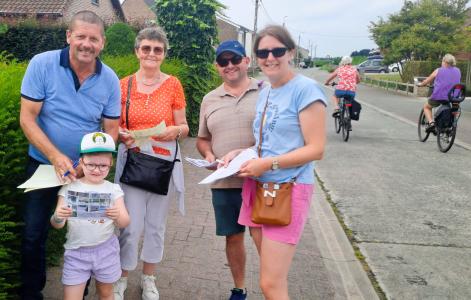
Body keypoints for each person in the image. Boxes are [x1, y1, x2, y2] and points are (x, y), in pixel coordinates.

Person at [19, 11, 121, 299]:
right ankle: (30, 293)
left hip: (85, 175)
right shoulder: (42, 64)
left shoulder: (110, 79)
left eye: (93, 38)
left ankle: (80, 292)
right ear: (68, 36)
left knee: (86, 238)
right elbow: (27, 118)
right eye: (81, 36)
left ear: (102, 42)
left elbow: (112, 130)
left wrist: (86, 165)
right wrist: (54, 156)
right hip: (42, 165)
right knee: (32, 234)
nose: (86, 44)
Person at [221, 25, 326, 300]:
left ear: (290, 52)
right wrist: (240, 153)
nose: (270, 57)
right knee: (272, 276)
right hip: (259, 189)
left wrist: (267, 165)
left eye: (277, 50)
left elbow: (316, 149)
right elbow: (264, 143)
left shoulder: (306, 90)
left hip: (287, 191)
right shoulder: (265, 91)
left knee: (270, 284)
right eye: (263, 52)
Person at [113, 26, 189, 300]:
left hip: (162, 163)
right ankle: (122, 277)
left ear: (164, 54)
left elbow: (184, 126)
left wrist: (175, 131)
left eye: (158, 49)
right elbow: (113, 124)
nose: (151, 53)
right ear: (137, 51)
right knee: (130, 225)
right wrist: (121, 134)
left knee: (156, 225)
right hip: (133, 160)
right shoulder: (123, 85)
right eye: (146, 48)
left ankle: (149, 278)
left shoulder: (173, 84)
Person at [197, 40, 263, 300]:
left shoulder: (266, 91)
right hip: (225, 182)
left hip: (262, 180)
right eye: (223, 61)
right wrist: (210, 155)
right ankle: (239, 289)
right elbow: (202, 139)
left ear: (246, 61)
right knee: (233, 237)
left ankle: (273, 289)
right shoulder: (209, 99)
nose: (230, 65)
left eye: (235, 59)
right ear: (217, 66)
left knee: (266, 241)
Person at [51, 132, 130, 300]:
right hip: (76, 253)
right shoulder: (68, 189)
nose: (97, 169)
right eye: (91, 164)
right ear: (81, 162)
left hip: (106, 250)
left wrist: (117, 216)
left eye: (103, 166)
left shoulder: (113, 189)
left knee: (106, 293)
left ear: (111, 163)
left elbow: (124, 222)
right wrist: (58, 216)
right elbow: (57, 224)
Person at [418, 53, 461, 132]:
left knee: (426, 107)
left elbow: (427, 80)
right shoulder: (458, 70)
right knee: (450, 108)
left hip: (439, 96)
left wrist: (421, 84)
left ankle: (431, 123)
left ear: (445, 62)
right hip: (454, 97)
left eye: (442, 61)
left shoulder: (439, 70)